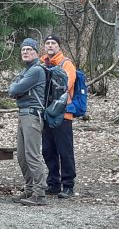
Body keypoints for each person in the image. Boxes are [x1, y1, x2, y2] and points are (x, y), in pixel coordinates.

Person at [8, 38, 48, 206]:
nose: (25, 52)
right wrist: (17, 88)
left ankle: (40, 193)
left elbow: (14, 89)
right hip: (23, 115)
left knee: (32, 155)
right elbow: (12, 90)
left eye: (29, 49)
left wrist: (17, 88)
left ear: (35, 52)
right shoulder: (27, 70)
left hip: (32, 115)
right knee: (22, 156)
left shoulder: (36, 70)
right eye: (23, 49)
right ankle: (30, 189)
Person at [41, 35, 77, 199]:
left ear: (59, 46)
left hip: (63, 114)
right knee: (48, 150)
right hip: (47, 114)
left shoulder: (67, 64)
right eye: (47, 43)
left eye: (53, 43)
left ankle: (68, 185)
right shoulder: (42, 64)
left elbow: (66, 85)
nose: (50, 46)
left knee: (65, 150)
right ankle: (53, 183)